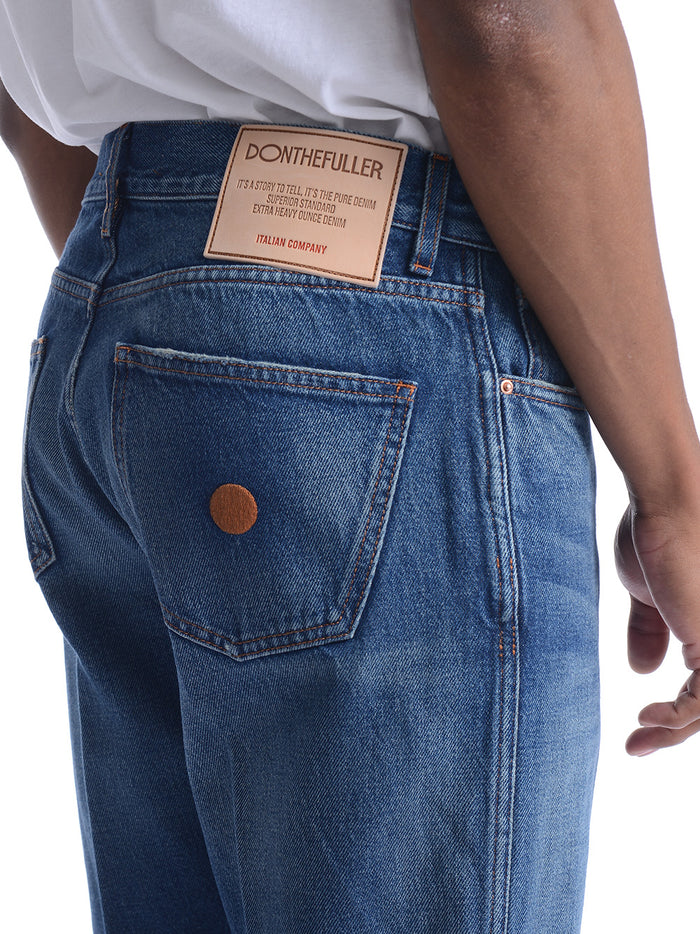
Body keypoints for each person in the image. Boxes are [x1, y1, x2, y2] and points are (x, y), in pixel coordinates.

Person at [1, 1, 698, 931]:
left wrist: (187, 316)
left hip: (104, 310)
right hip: (370, 326)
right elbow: (508, 24)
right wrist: (675, 492)